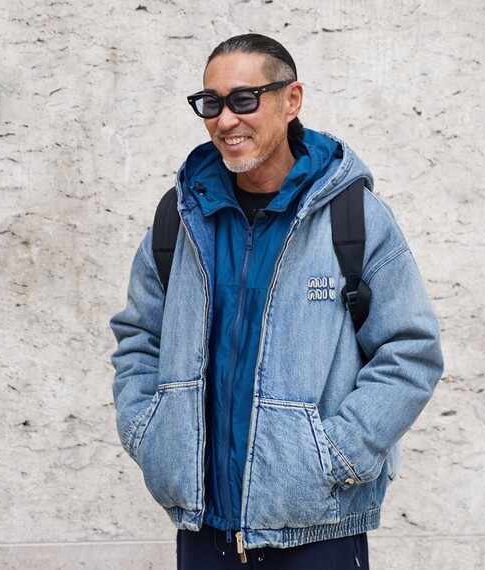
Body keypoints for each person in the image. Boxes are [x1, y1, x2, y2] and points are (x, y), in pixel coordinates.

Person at [110, 33, 444, 569]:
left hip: (318, 531)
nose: (225, 120)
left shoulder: (354, 218)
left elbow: (410, 351)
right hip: (204, 532)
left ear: (291, 100)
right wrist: (150, 435)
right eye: (211, 103)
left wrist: (338, 456)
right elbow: (138, 338)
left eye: (244, 100)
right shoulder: (180, 218)